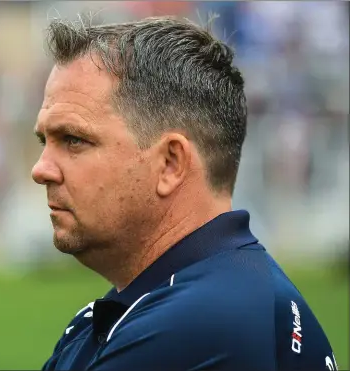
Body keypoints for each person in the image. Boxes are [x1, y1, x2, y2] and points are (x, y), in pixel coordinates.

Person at [31, 16, 338, 371]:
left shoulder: (198, 323)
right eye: (45, 140)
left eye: (73, 140)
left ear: (171, 163)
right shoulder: (221, 293)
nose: (41, 169)